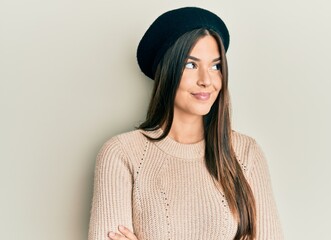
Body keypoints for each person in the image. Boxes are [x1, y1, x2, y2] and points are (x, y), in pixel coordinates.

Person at [88, 7, 283, 240]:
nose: (206, 80)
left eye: (216, 66)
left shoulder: (246, 153)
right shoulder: (122, 154)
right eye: (191, 65)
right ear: (167, 70)